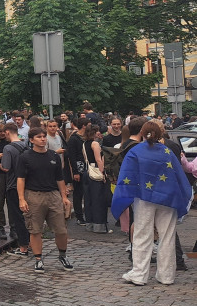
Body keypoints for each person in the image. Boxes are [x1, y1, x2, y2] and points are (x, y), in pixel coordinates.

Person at [112, 121, 192, 285]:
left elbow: (127, 175)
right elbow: (178, 176)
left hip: (144, 197)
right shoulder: (167, 152)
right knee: (167, 235)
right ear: (160, 134)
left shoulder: (135, 152)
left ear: (142, 133)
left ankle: (139, 274)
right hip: (168, 197)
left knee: (142, 234)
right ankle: (167, 275)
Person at [17, 128, 74, 273]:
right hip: (34, 195)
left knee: (61, 229)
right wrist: (22, 199)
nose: (42, 139)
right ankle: (38, 259)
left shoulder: (53, 155)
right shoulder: (25, 157)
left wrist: (64, 197)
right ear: (31, 140)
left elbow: (59, 178)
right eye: (39, 137)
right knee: (35, 229)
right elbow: (21, 179)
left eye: (44, 137)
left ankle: (63, 255)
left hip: (53, 194)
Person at [0, 122, 31, 256]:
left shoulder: (8, 148)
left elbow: (6, 167)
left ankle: (23, 246)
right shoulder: (25, 145)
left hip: (13, 184)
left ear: (7, 132)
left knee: (17, 217)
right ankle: (30, 242)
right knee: (27, 215)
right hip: (27, 184)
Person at [82, 123, 111, 233]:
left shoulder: (84, 143)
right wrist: (103, 173)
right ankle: (100, 225)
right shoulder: (95, 144)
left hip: (87, 171)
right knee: (98, 199)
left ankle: (90, 224)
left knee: (89, 199)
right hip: (95, 172)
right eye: (98, 131)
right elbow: (98, 160)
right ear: (95, 132)